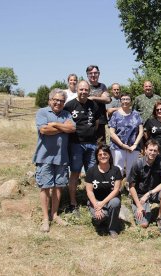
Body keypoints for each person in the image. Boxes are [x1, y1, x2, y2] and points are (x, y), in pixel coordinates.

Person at [33, 88, 75, 232]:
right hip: (44, 157)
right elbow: (44, 130)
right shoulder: (42, 112)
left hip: (62, 157)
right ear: (50, 100)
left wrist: (55, 125)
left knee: (58, 187)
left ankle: (55, 214)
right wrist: (63, 128)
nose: (58, 103)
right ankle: (45, 218)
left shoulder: (67, 114)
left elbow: (72, 128)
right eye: (55, 100)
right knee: (45, 187)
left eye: (61, 101)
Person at [64, 80, 100, 214]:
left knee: (91, 173)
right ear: (77, 90)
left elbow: (96, 123)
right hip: (75, 145)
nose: (84, 92)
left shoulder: (93, 105)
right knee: (75, 173)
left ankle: (91, 200)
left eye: (86, 90)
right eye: (81, 89)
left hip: (91, 144)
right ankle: (73, 203)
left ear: (89, 91)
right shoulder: (69, 105)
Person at [128, 139, 161, 231]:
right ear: (145, 150)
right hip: (140, 195)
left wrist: (149, 194)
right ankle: (138, 207)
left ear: (158, 152)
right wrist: (139, 206)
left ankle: (159, 218)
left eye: (155, 150)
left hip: (154, 193)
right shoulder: (137, 163)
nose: (152, 152)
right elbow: (131, 186)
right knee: (143, 224)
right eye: (150, 150)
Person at [85, 144, 122, 238]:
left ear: (109, 155)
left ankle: (112, 228)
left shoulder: (116, 170)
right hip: (95, 201)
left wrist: (102, 203)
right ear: (97, 157)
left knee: (115, 202)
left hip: (110, 200)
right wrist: (97, 205)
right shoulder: (91, 171)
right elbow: (89, 191)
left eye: (105, 154)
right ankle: (102, 220)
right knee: (99, 218)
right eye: (100, 154)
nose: (102, 156)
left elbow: (116, 190)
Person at [109, 92, 143, 178]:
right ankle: (118, 189)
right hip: (118, 146)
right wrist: (122, 145)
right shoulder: (115, 114)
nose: (125, 101)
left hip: (133, 147)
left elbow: (141, 131)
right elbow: (112, 132)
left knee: (131, 169)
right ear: (120, 101)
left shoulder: (136, 114)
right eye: (123, 99)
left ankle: (130, 189)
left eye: (127, 99)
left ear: (131, 101)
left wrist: (135, 145)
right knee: (118, 168)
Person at [86, 65, 111, 143]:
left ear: (99, 74)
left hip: (101, 120)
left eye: (95, 73)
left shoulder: (102, 86)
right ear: (87, 74)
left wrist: (93, 98)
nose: (93, 75)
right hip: (87, 120)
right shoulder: (84, 86)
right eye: (90, 73)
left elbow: (107, 99)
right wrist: (100, 97)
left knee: (101, 144)